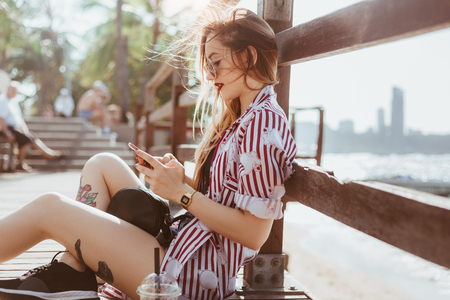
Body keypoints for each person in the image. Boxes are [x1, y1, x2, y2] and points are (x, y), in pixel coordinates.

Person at [0, 6, 297, 300]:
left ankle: (71, 271)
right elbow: (227, 194)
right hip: (183, 248)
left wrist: (182, 194)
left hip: (190, 277)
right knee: (103, 163)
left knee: (50, 208)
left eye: (215, 61)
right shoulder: (243, 118)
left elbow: (254, 233)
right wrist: (183, 178)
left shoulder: (263, 124)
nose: (209, 73)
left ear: (249, 55)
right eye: (207, 64)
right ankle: (72, 268)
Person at [0, 83, 65, 172]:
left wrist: (25, 129)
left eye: (15, 91)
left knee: (32, 137)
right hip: (9, 129)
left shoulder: (13, 102)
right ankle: (21, 163)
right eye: (13, 90)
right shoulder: (3, 100)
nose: (14, 92)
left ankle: (50, 154)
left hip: (17, 128)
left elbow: (20, 119)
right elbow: (1, 119)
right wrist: (8, 133)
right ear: (8, 89)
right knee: (26, 140)